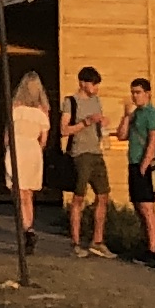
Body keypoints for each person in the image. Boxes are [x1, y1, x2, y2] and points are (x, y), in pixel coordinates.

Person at [63, 63, 112, 256]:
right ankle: (75, 242)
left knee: (103, 195)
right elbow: (64, 129)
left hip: (96, 152)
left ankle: (97, 240)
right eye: (93, 84)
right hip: (80, 153)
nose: (96, 88)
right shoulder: (71, 102)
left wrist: (104, 125)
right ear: (83, 83)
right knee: (79, 198)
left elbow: (99, 125)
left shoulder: (96, 101)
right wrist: (86, 122)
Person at [124, 75, 155, 254]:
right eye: (133, 93)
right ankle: (146, 242)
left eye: (138, 92)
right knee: (139, 206)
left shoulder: (152, 115)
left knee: (147, 207)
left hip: (144, 165)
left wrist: (144, 166)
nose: (135, 96)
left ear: (147, 93)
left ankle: (153, 249)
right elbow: (122, 135)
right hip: (133, 162)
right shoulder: (136, 114)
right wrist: (126, 116)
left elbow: (153, 140)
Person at [8, 70, 52, 251]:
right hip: (33, 149)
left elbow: (6, 136)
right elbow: (44, 139)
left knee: (18, 191)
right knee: (29, 195)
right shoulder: (42, 112)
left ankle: (24, 229)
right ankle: (30, 228)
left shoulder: (16, 109)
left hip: (17, 148)